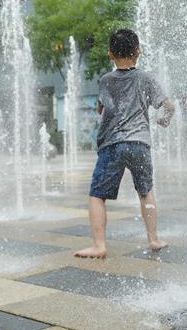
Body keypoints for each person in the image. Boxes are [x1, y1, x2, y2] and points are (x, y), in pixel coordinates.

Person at [74, 29, 175, 259]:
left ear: (110, 54)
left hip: (112, 144)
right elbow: (169, 105)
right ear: (138, 51)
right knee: (146, 191)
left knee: (97, 195)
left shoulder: (106, 80)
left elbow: (101, 109)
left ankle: (99, 245)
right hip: (139, 142)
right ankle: (154, 239)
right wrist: (164, 121)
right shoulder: (146, 78)